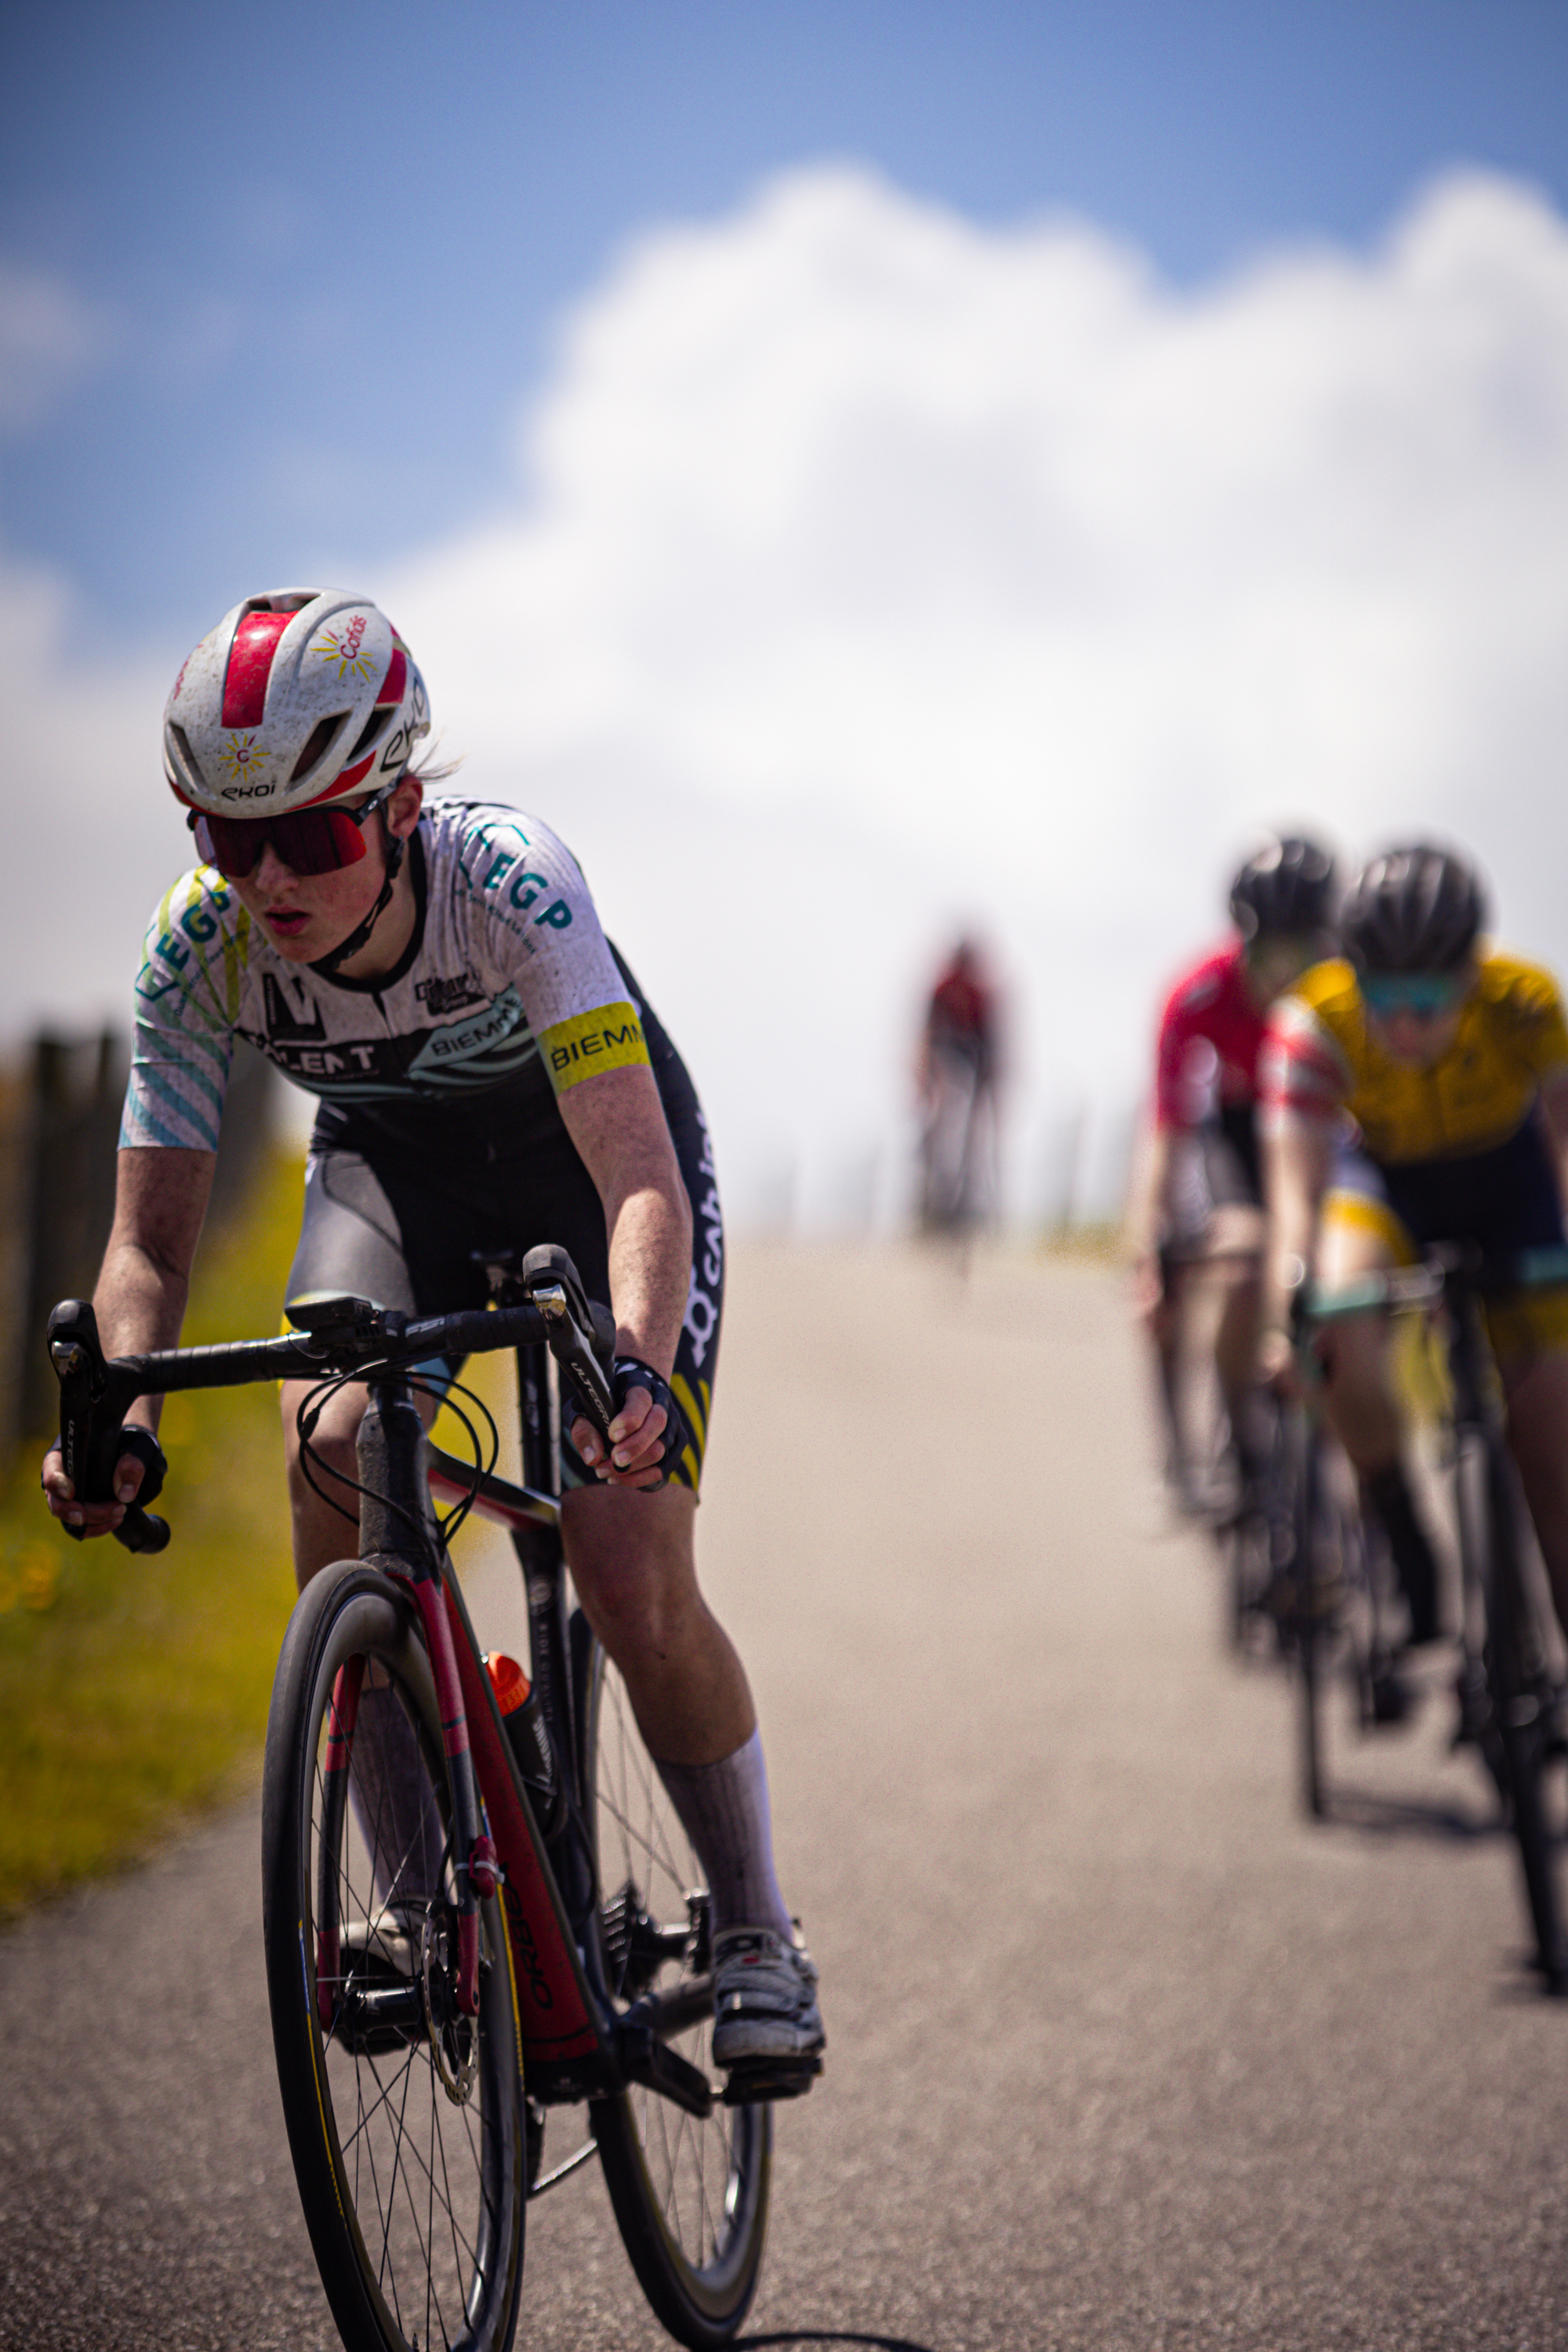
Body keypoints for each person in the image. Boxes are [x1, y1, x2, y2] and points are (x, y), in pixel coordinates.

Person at [41, 586, 822, 2082]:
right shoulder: (197, 951)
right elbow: (146, 1245)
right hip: (394, 1174)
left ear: (399, 803)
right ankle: (414, 1901)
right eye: (223, 832)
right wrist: (119, 1419)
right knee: (328, 1443)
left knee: (625, 1553)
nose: (265, 877)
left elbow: (640, 1176)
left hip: (589, 1179)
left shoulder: (511, 887)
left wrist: (639, 1367)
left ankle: (756, 1931)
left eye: (311, 835)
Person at [1258, 842, 1568, 1662]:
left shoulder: (1525, 1004)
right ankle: (1404, 1540)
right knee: (1338, 1324)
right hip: (1386, 1183)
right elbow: (1294, 1195)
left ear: (1469, 974)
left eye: (1426, 997)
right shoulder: (1309, 1023)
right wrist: (1289, 1310)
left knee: (1546, 1433)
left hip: (1509, 1192)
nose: (1401, 1023)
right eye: (1380, 995)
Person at [1129, 837, 1337, 1506]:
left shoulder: (1348, 995)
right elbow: (1167, 1128)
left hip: (1324, 1131)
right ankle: (1217, 1445)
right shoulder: (1197, 995)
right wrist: (1150, 1237)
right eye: (1270, 956)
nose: (1286, 977)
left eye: (1304, 956)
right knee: (1241, 1265)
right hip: (1238, 1139)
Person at [916, 936, 1000, 1235]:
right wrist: (926, 1080)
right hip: (944, 1060)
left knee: (972, 1138)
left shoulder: (980, 992)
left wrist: (988, 1087)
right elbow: (927, 1035)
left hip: (971, 1061)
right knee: (937, 1129)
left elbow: (991, 1043)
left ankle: (962, 1207)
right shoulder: (942, 986)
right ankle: (928, 1202)